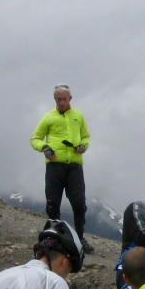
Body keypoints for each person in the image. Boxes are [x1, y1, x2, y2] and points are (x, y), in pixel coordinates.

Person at [29, 83, 94, 253]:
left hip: (74, 165)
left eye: (64, 99)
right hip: (54, 165)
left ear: (70, 99)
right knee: (53, 202)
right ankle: (53, 237)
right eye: (59, 100)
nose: (62, 103)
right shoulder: (48, 117)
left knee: (79, 204)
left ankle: (80, 238)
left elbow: (86, 137)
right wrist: (45, 148)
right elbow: (35, 138)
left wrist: (83, 146)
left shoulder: (78, 116)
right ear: (54, 99)